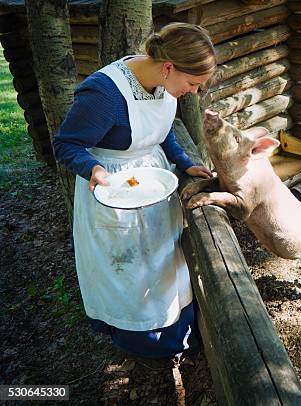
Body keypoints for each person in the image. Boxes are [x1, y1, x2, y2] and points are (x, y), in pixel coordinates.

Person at [53, 23, 216, 359]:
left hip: (153, 183)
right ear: (169, 67)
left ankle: (176, 330)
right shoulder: (104, 94)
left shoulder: (162, 83)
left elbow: (162, 128)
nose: (194, 92)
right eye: (193, 83)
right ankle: (141, 339)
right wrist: (93, 169)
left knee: (163, 259)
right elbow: (66, 144)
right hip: (115, 189)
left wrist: (184, 162)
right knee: (129, 269)